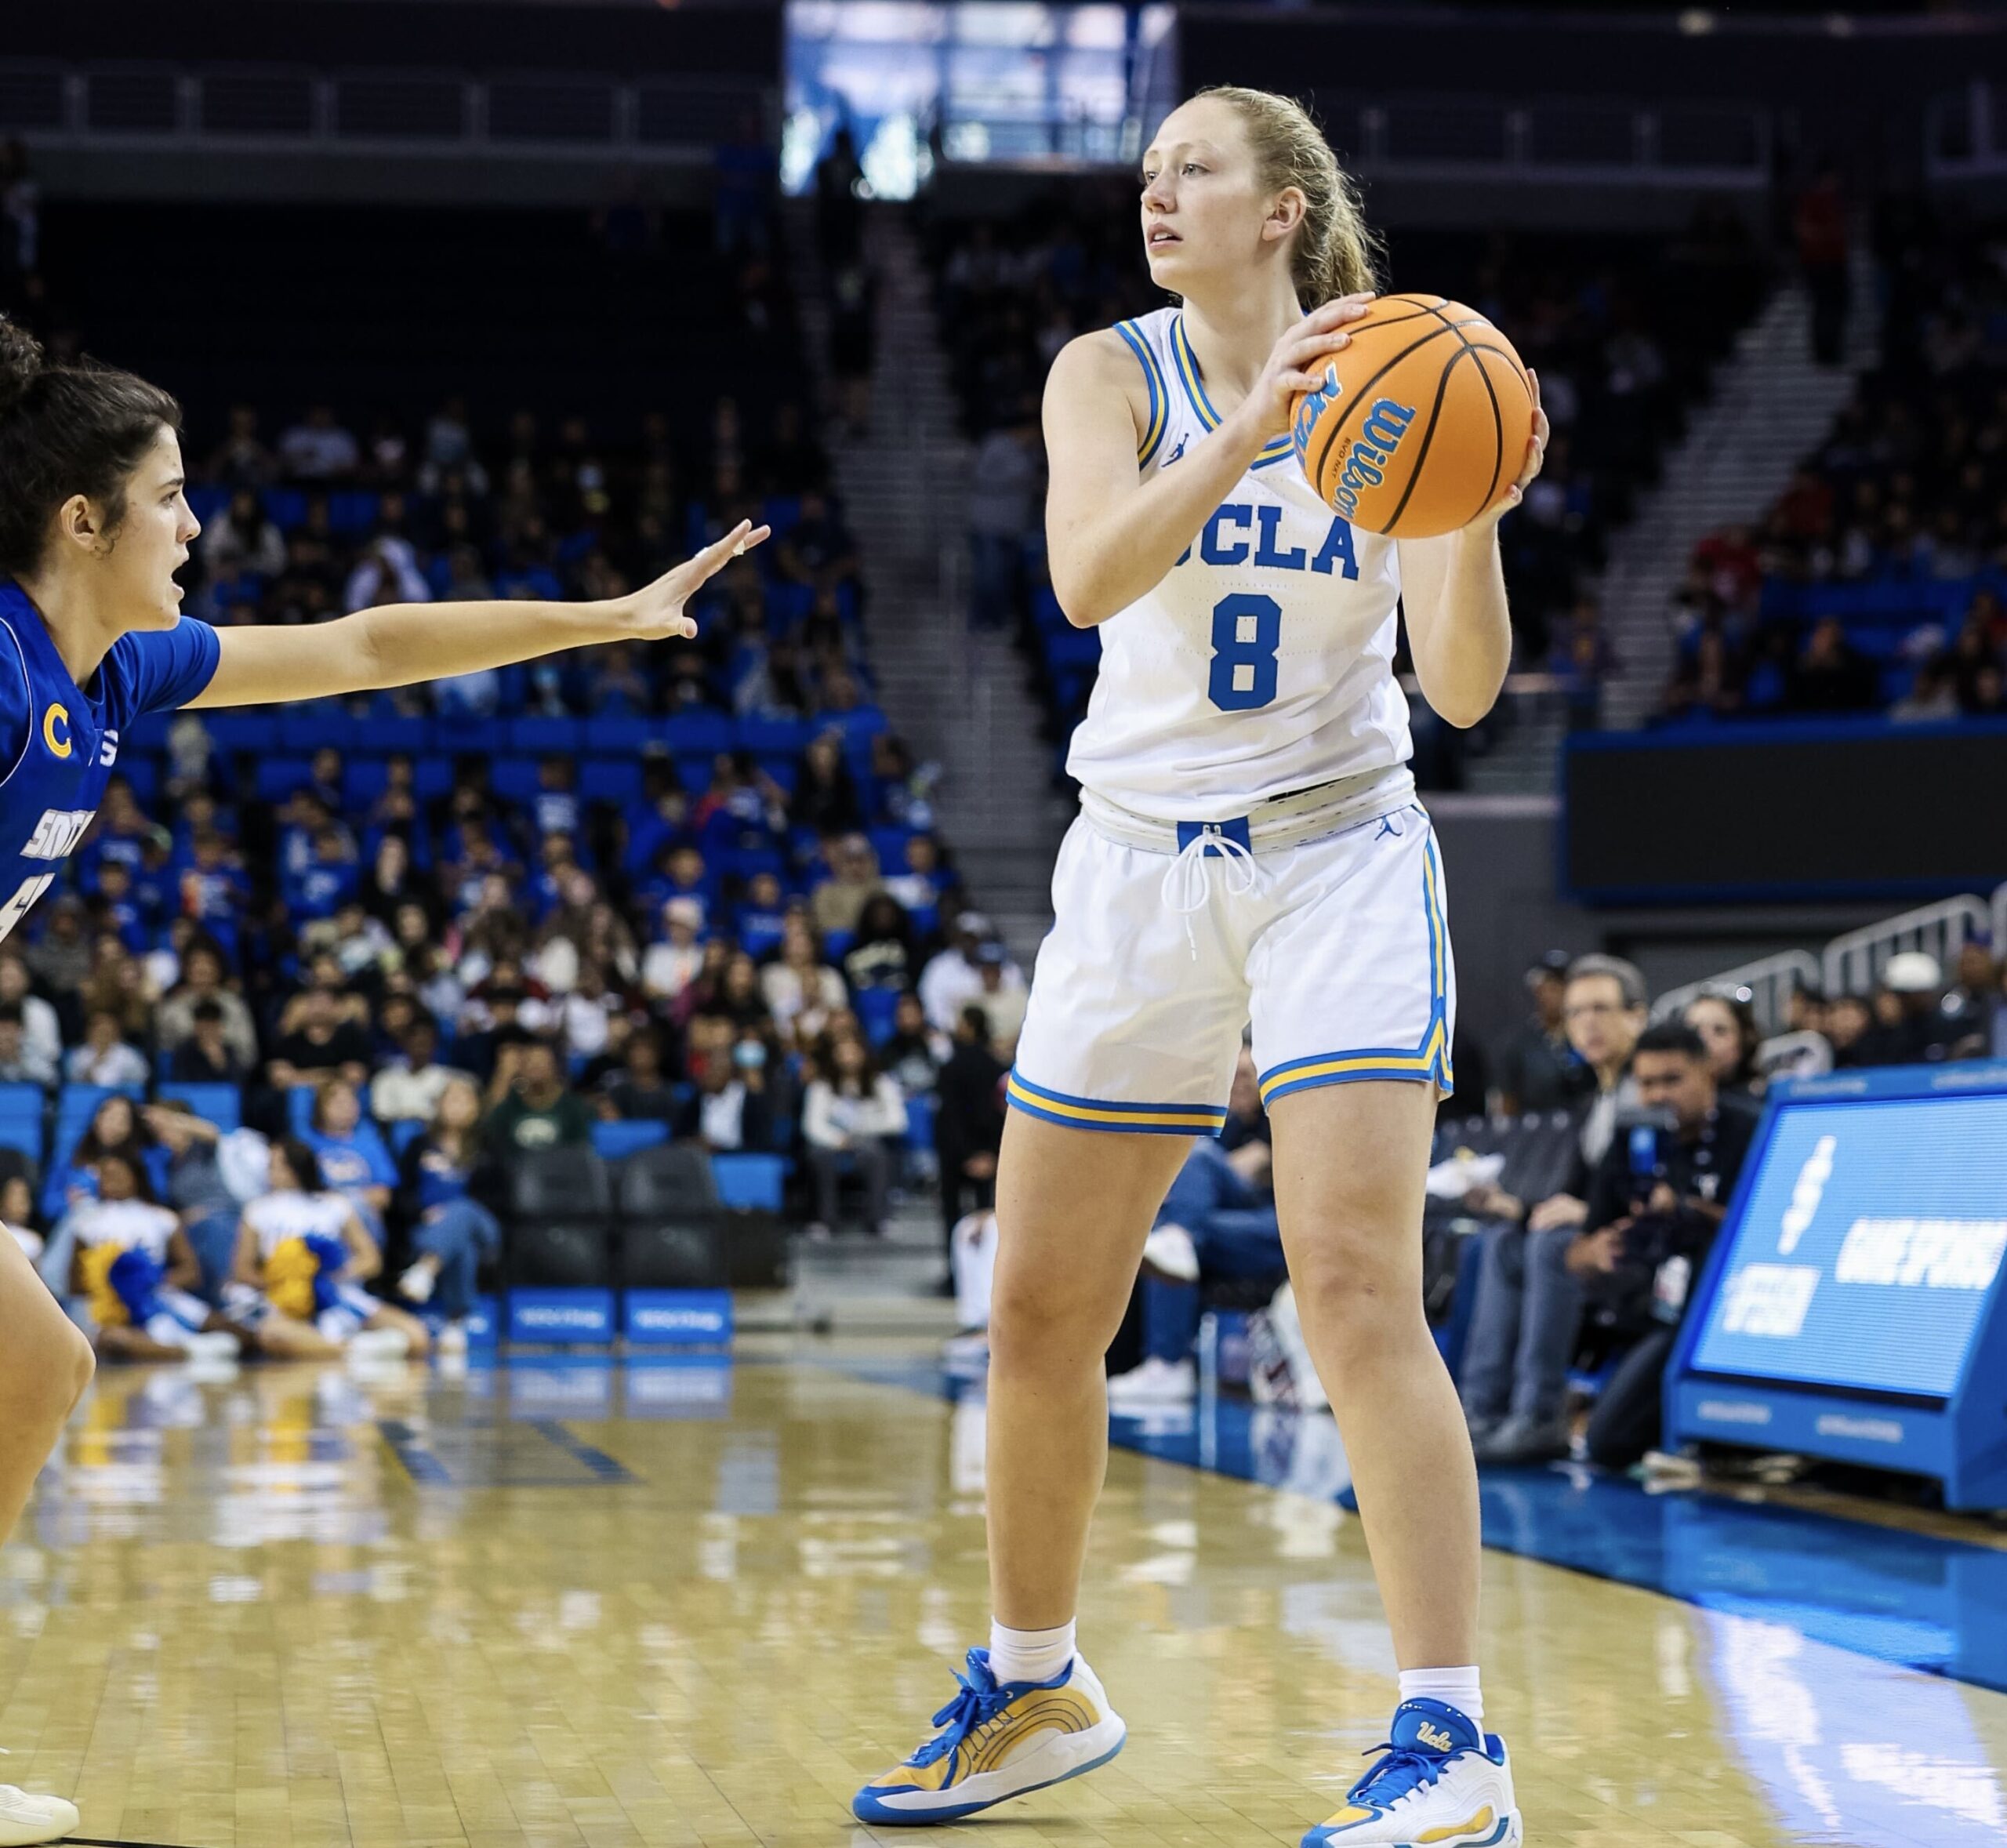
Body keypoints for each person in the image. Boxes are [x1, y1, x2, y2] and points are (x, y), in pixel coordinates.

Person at [855, 86, 1544, 1846]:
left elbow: (1459, 688)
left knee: (1350, 1284)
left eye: (1192, 169)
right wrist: (1250, 426)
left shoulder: (1412, 369)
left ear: (1284, 207)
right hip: (1143, 862)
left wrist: (1458, 506)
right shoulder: (1111, 370)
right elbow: (1084, 577)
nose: (1154, 192)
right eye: (1145, 172)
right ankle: (1034, 1683)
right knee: (1035, 1308)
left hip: (1335, 854)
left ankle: (1449, 1736)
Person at [0, 314, 764, 1843]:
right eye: (170, 494)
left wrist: (601, 617)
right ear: (81, 519)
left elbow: (365, 647)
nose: (198, 521)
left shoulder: (118, 668)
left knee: (38, 1366)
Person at [1457, 955, 1646, 1465]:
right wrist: (1515, 1207)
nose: (1587, 1022)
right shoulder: (1594, 1099)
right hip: (1585, 1234)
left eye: (1601, 1008)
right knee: (1502, 1242)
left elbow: (1640, 1194)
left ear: (1637, 1016)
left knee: (1549, 1245)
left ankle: (1539, 1415)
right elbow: (1573, 1197)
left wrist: (1581, 1214)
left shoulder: (1648, 1089)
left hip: (1629, 1248)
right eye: (1577, 1012)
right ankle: (1478, 1409)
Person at [1562, 1022, 1754, 1469]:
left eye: (1672, 1080)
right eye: (1646, 1083)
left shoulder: (1748, 1128)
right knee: (1606, 1444)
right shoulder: (1632, 1138)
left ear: (1707, 1072)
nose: (1657, 1095)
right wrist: (1595, 1254)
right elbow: (1578, 1252)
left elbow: (1763, 1231)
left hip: (1721, 1313)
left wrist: (1687, 1208)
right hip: (1644, 1313)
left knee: (1608, 1440)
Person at [226, 1138, 428, 1362]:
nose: (271, 1172)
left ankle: (336, 1346)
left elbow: (371, 1260)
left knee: (416, 1335)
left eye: (277, 1165)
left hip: (334, 1294)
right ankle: (353, 1351)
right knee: (272, 1335)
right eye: (270, 1166)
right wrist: (283, 1280)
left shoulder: (334, 1204)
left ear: (298, 1167)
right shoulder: (258, 1210)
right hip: (282, 1300)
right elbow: (242, 1270)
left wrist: (335, 1275)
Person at [67, 1150, 241, 1363]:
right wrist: (112, 1287)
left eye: (119, 1173)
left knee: (227, 1327)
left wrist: (148, 1283)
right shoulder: (86, 1224)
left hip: (159, 1296)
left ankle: (191, 1344)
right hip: (110, 1307)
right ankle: (190, 1351)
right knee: (112, 1339)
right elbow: (75, 1284)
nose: (112, 1180)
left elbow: (191, 1272)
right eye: (106, 1175)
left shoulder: (161, 1217)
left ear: (135, 1176)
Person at [393, 1076, 503, 1350]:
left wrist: (453, 1211)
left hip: (483, 1228)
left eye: (465, 1100)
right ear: (439, 1105)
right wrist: (422, 1213)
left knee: (462, 1210)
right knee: (460, 1244)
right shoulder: (419, 1145)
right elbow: (401, 1194)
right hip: (428, 1229)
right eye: (451, 1099)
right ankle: (455, 1323)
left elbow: (500, 1198)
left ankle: (425, 1270)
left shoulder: (490, 1146)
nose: (457, 1106)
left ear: (477, 1107)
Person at [801, 1034, 907, 1239]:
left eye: (852, 1052)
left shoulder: (880, 1082)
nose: (847, 1058)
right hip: (832, 1143)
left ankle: (878, 1219)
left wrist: (861, 1130)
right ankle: (826, 1220)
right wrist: (837, 1140)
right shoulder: (822, 1086)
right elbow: (812, 1125)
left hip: (866, 1141)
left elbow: (897, 1121)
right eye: (842, 1053)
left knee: (876, 1154)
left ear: (863, 1054)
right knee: (819, 1155)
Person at [1490, 950, 1584, 1116]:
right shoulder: (1519, 1045)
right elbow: (1507, 1101)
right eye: (1549, 986)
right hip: (1537, 1133)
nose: (1555, 994)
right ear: (1537, 991)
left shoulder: (1587, 1038)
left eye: (1561, 986)